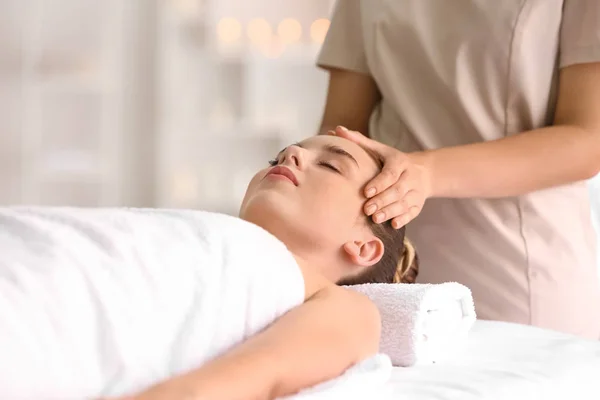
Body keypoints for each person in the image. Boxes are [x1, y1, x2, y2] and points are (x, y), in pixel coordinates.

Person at [0, 136, 416, 400]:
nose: (293, 153)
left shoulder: (340, 304)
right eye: (283, 153)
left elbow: (255, 378)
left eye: (330, 164)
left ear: (363, 247)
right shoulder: (204, 236)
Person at [316, 0, 600, 339]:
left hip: (518, 276)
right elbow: (343, 128)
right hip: (384, 269)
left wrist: (425, 173)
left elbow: (588, 141)